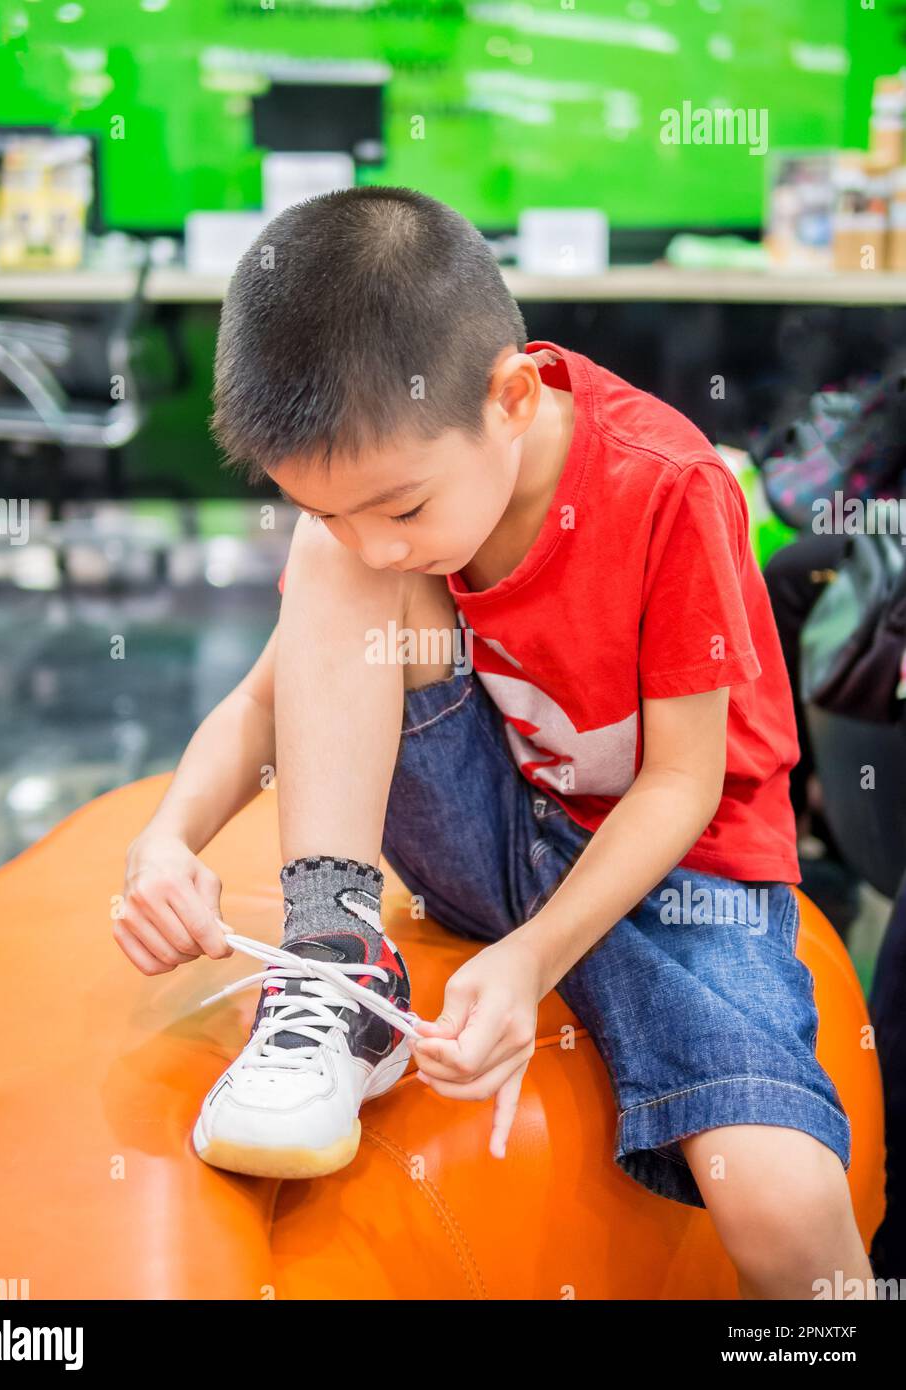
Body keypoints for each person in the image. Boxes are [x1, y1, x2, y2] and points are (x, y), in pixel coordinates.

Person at [117, 186, 874, 1300]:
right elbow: (265, 703)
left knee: (779, 1204)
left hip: (673, 878)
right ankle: (335, 959)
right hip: (486, 823)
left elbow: (681, 783)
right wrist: (168, 838)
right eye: (324, 510)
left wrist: (531, 959)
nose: (375, 541)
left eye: (401, 508)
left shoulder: (666, 487)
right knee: (338, 575)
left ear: (512, 397)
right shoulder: (370, 527)